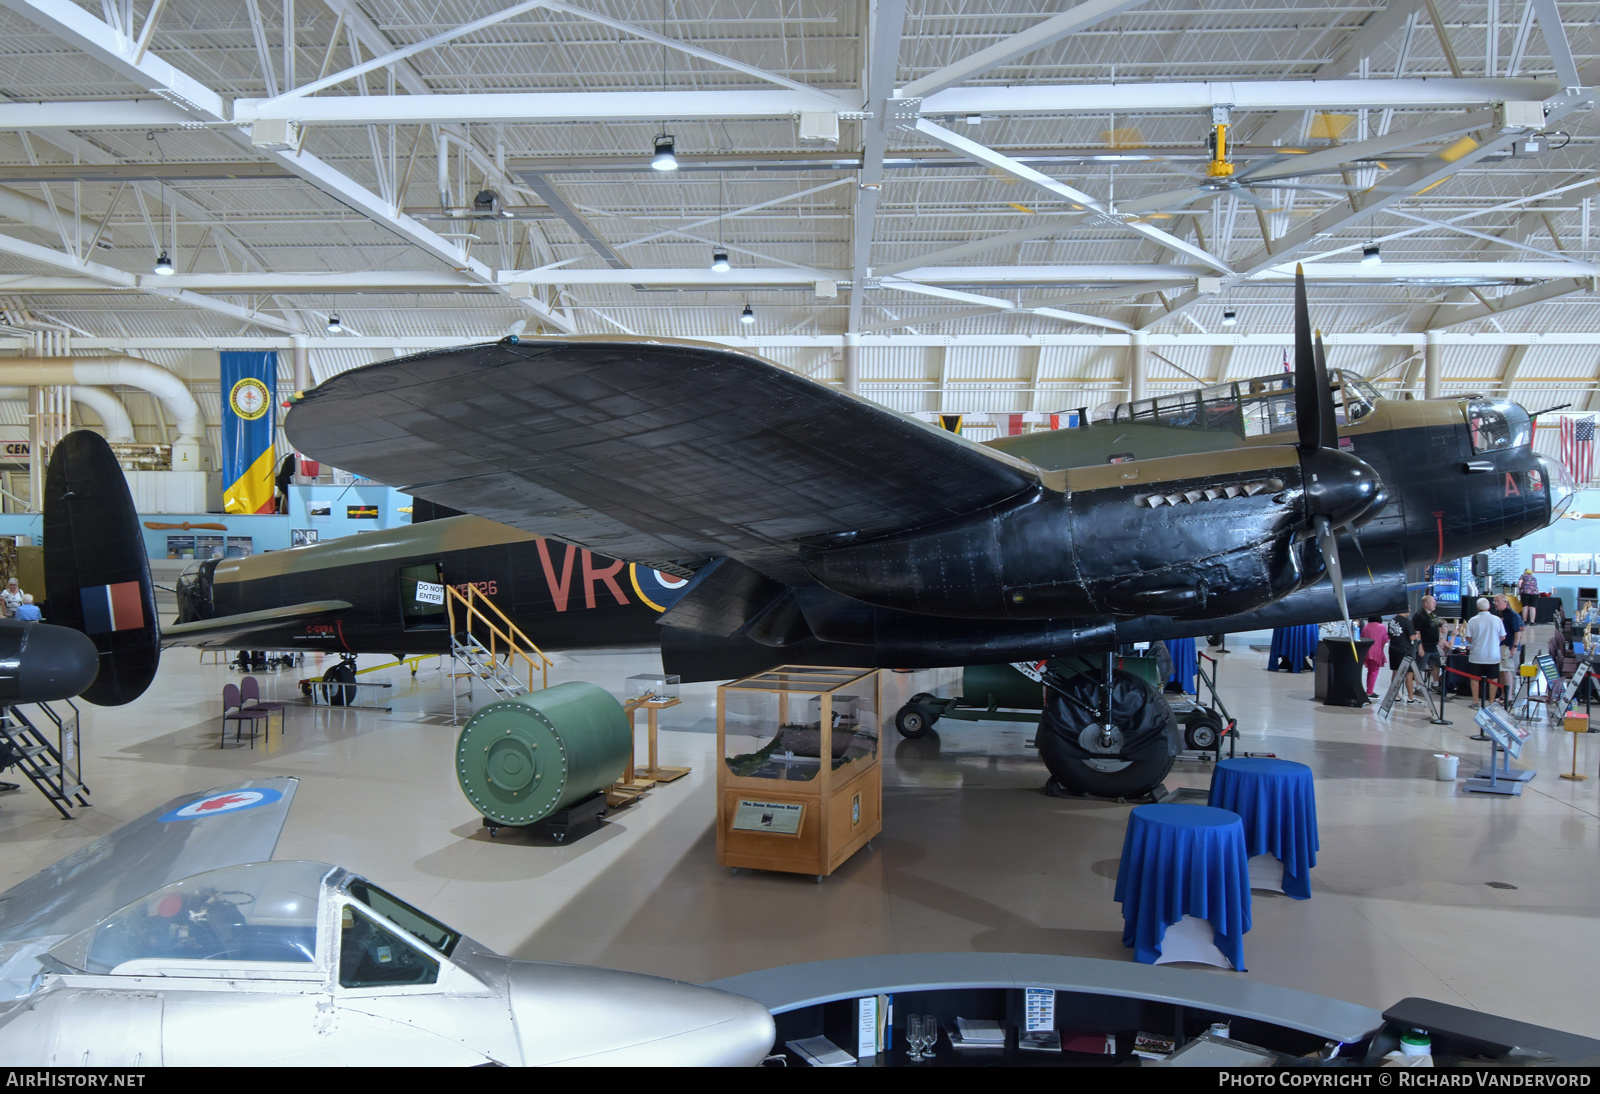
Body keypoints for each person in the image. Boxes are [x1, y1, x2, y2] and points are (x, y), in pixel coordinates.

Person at [1464, 597, 1506, 708]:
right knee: (1493, 678)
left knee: (1475, 679)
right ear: (1489, 607)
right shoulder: (1496, 619)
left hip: (1477, 654)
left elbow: (1468, 637)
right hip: (1493, 654)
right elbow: (1502, 636)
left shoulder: (1473, 620)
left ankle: (1475, 701)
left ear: (1477, 608)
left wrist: (1477, 641)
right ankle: (1491, 701)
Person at [1493, 593, 1523, 705]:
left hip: (1509, 646)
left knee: (1507, 670)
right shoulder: (1499, 613)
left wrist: (1514, 647)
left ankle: (1509, 696)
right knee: (1502, 670)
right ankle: (1503, 694)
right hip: (1502, 646)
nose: (1496, 604)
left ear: (1505, 602)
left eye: (1498, 601)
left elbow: (1518, 632)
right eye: (1494, 601)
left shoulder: (1512, 615)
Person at [1412, 595, 1444, 693]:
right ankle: (1418, 687)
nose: (1435, 604)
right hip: (1424, 646)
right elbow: (1417, 632)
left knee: (1436, 665)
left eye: (1434, 602)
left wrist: (1440, 638)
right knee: (1420, 666)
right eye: (1432, 602)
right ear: (1425, 604)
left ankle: (1435, 684)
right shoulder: (1419, 616)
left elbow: (1437, 628)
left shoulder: (1434, 615)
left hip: (1433, 646)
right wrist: (1420, 646)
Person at [1388, 611, 1419, 702]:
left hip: (1393, 649)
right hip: (1405, 651)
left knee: (1395, 672)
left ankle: (1395, 695)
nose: (1410, 611)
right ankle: (1410, 698)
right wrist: (1417, 636)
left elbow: (1390, 635)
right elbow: (1411, 637)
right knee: (1409, 673)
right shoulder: (1407, 621)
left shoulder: (1392, 621)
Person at [1360, 615, 1389, 697]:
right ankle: (1369, 691)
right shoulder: (1381, 627)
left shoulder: (1366, 626)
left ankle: (1369, 689)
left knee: (1370, 671)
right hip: (1376, 651)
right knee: (1374, 672)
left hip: (1366, 651)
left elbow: (1362, 637)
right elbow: (1385, 639)